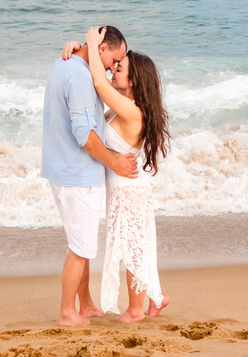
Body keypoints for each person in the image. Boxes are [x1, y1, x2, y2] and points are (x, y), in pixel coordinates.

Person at [62, 27, 170, 322]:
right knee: (134, 245)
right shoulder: (123, 109)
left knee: (133, 249)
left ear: (132, 81)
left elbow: (98, 82)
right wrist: (79, 50)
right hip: (124, 187)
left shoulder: (133, 112)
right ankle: (156, 297)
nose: (113, 70)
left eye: (119, 68)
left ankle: (135, 310)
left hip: (129, 189)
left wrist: (91, 42)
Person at [41, 25, 139, 327]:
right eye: (114, 60)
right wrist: (115, 163)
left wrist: (77, 46)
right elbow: (85, 135)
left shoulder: (64, 63)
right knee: (81, 248)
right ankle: (67, 313)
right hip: (78, 175)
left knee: (78, 242)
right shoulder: (82, 77)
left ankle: (85, 305)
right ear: (102, 48)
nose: (112, 68)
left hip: (60, 169)